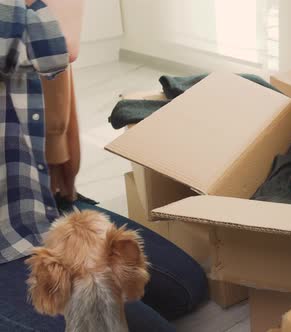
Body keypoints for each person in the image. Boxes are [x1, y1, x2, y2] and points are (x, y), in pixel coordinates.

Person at [0, 1, 207, 331]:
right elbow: (53, 41)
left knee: (187, 288)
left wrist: (58, 161)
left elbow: (57, 49)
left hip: (30, 204)